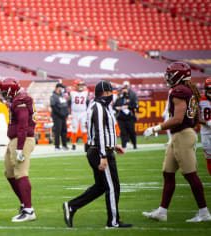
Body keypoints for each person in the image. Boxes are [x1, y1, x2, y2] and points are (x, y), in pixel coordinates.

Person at [143, 62, 211, 222]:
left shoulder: (180, 91)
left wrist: (155, 128)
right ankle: (162, 211)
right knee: (168, 173)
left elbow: (178, 118)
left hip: (183, 135)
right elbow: (192, 117)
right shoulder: (189, 90)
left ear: (178, 75)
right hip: (180, 135)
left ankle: (204, 212)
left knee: (190, 174)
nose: (167, 77)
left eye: (170, 74)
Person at [63, 80, 132, 228]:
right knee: (113, 187)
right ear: (105, 93)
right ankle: (113, 222)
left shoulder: (101, 106)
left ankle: (71, 206)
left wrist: (114, 145)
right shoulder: (98, 107)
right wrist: (104, 155)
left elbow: (105, 131)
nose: (111, 95)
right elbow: (99, 132)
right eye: (109, 92)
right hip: (99, 150)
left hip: (100, 149)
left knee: (101, 186)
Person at [0, 78, 37, 222]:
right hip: (15, 140)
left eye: (5, 91)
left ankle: (29, 210)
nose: (3, 94)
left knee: (21, 173)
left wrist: (20, 148)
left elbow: (22, 124)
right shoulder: (18, 99)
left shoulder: (21, 100)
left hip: (22, 140)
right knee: (9, 173)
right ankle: (24, 204)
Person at [69, 79, 88, 150]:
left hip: (83, 112)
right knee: (74, 129)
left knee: (84, 129)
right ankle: (74, 144)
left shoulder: (86, 91)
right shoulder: (71, 92)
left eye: (82, 85)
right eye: (79, 85)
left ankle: (86, 144)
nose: (81, 86)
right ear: (75, 85)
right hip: (75, 113)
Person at [50, 83, 70, 151]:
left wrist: (66, 113)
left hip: (63, 116)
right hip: (57, 116)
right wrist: (60, 113)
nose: (62, 89)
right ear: (58, 88)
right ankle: (57, 146)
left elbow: (65, 105)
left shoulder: (62, 96)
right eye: (61, 88)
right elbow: (53, 106)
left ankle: (64, 145)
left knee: (64, 130)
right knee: (57, 131)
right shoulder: (54, 96)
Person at [199, 78, 211, 176]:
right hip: (206, 133)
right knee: (209, 158)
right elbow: (196, 117)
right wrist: (207, 122)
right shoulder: (200, 99)